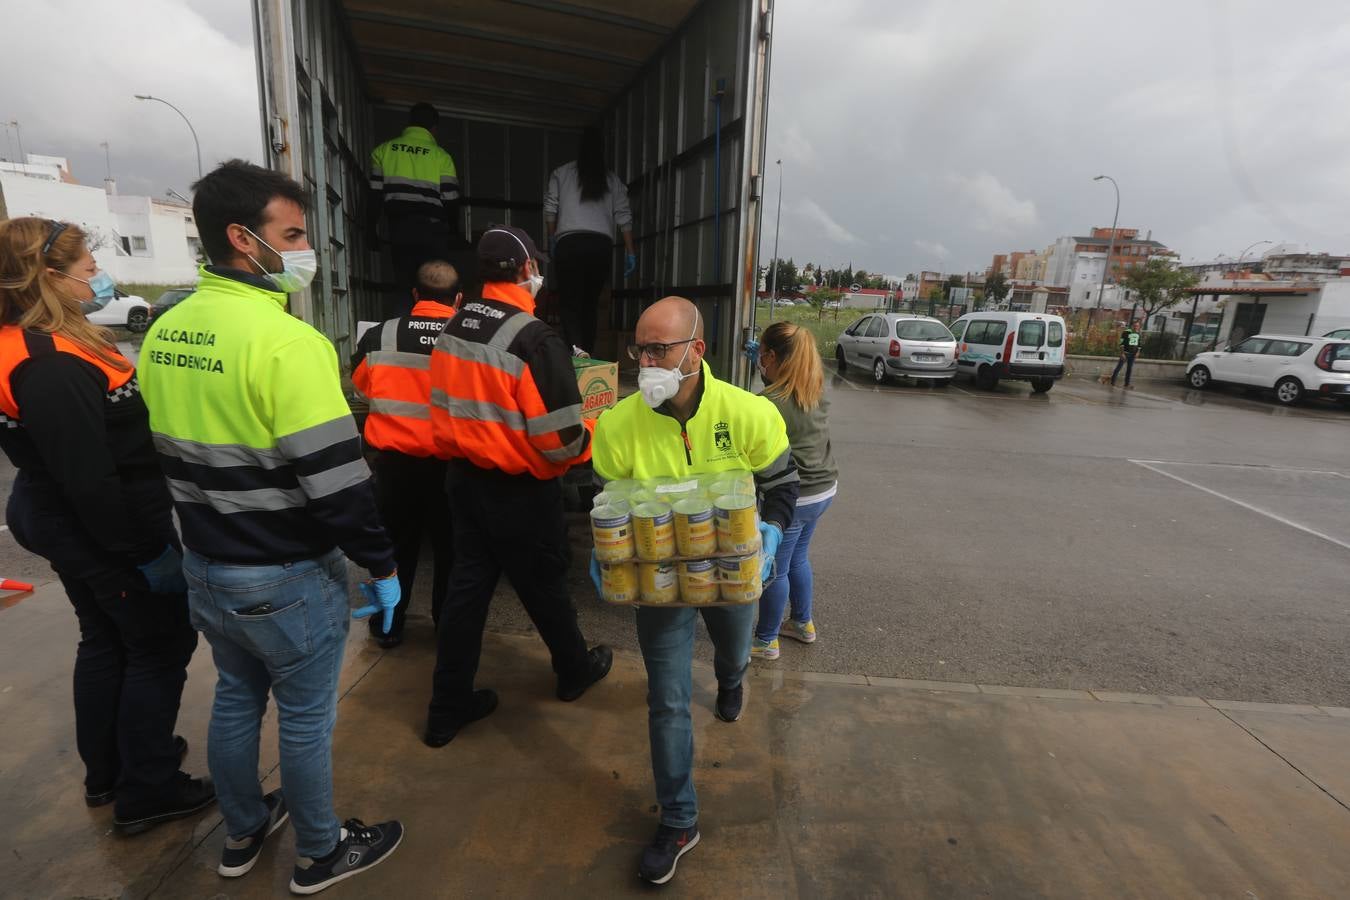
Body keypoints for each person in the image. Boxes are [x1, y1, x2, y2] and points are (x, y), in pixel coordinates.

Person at [139, 160, 404, 894]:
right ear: (241, 237)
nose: (303, 251)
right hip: (285, 573)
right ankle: (321, 853)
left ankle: (244, 828)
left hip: (207, 564)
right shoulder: (289, 343)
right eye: (291, 235)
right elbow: (339, 484)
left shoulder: (166, 328)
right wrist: (381, 565)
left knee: (234, 696)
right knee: (306, 718)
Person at [0, 218, 210, 835]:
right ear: (46, 277)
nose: (96, 273)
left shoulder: (37, 340)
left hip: (67, 513)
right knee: (159, 643)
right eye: (85, 264)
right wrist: (143, 552)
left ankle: (111, 770)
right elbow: (88, 478)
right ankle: (147, 789)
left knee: (107, 639)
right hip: (100, 522)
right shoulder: (48, 365)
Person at [590, 296, 799, 885]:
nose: (646, 360)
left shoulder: (746, 412)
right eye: (641, 349)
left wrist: (773, 528)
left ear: (696, 350)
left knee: (733, 654)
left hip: (732, 575)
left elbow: (783, 481)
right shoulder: (617, 423)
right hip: (661, 584)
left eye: (660, 348)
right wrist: (606, 552)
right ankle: (679, 819)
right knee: (668, 698)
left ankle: (733, 681)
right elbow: (613, 499)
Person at [424, 225, 612, 748]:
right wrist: (596, 427)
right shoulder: (535, 339)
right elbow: (561, 442)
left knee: (467, 594)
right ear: (528, 270)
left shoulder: (455, 326)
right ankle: (574, 670)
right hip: (520, 493)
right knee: (545, 584)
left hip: (463, 482)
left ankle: (446, 708)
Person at [350, 259, 462, 648]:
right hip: (452, 467)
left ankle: (387, 626)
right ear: (458, 299)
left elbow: (363, 389)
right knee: (451, 550)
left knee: (395, 549)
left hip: (395, 467)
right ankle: (448, 627)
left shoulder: (381, 336)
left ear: (415, 296)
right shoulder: (471, 340)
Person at [748, 322, 838, 660]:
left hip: (795, 498)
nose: (758, 362)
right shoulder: (813, 391)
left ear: (770, 356)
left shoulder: (768, 403)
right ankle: (802, 623)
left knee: (775, 569)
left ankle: (766, 640)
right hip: (824, 490)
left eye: (761, 355)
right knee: (798, 557)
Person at [368, 102, 476, 317]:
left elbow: (374, 195)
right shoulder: (441, 156)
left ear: (410, 123)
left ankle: (403, 334)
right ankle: (434, 334)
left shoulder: (384, 150)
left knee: (405, 288)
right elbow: (451, 199)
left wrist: (371, 230)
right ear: (434, 128)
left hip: (399, 231)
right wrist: (454, 233)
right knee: (436, 287)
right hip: (432, 233)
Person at [543, 126, 636, 355]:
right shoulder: (612, 180)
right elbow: (623, 217)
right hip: (600, 248)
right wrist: (630, 251)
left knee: (569, 304)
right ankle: (588, 356)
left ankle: (575, 352)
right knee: (589, 305)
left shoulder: (561, 173)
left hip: (569, 245)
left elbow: (550, 208)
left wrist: (553, 237)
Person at [1112, 320, 1141, 388]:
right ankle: (1113, 382)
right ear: (1132, 326)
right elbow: (1122, 343)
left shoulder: (1138, 333)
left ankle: (1127, 384)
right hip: (1126, 353)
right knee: (1119, 367)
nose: (1136, 327)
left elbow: (1139, 343)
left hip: (1133, 354)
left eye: (1137, 326)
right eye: (1135, 326)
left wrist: (1138, 352)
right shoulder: (1126, 332)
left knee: (1129, 369)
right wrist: (1122, 353)